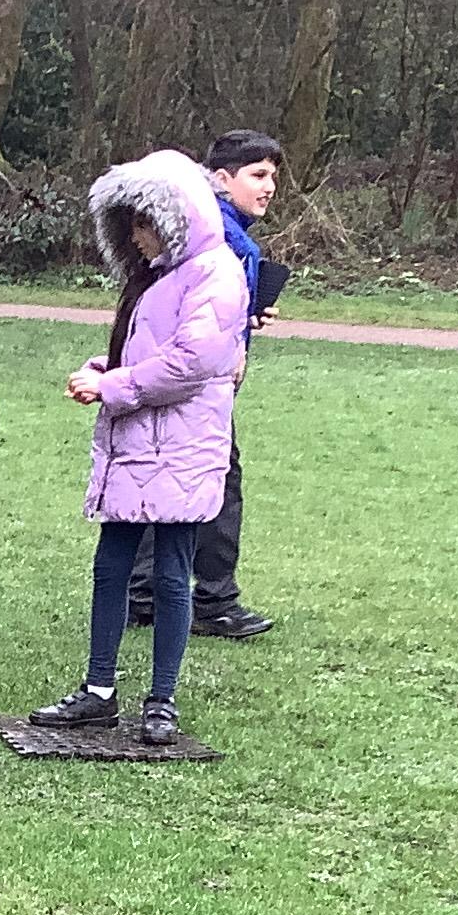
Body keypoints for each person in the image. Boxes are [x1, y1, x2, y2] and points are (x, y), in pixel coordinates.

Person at [24, 149, 248, 760]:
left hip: (181, 445)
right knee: (112, 564)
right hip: (136, 442)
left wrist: (114, 386)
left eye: (143, 224)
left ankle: (161, 700)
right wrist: (104, 370)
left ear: (174, 219)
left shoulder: (215, 273)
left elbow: (191, 362)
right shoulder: (154, 276)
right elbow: (144, 349)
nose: (136, 237)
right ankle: (98, 688)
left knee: (173, 571)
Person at [129, 128, 284, 640]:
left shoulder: (190, 227)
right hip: (198, 381)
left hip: (173, 373)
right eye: (257, 175)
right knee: (217, 480)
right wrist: (234, 345)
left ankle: (143, 593)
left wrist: (245, 317)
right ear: (220, 179)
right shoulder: (225, 239)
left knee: (163, 474)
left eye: (273, 176)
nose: (269, 187)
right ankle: (215, 599)